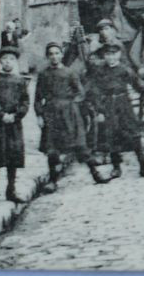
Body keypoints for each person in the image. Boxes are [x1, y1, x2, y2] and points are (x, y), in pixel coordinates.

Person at [33, 42, 106, 190]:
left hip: (70, 114)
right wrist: (40, 115)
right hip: (51, 114)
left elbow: (80, 92)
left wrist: (71, 104)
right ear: (47, 56)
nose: (54, 56)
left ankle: (95, 173)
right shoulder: (43, 74)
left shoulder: (70, 72)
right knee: (52, 149)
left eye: (57, 53)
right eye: (51, 54)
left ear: (61, 55)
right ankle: (53, 181)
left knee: (80, 145)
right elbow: (37, 98)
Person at [86, 43, 144, 179]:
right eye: (107, 55)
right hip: (108, 104)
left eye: (113, 54)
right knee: (111, 135)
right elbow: (94, 90)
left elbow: (138, 83)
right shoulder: (99, 71)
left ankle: (143, 167)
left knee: (134, 133)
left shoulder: (125, 70)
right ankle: (116, 167)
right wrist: (99, 109)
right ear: (104, 56)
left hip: (124, 103)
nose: (110, 58)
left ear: (118, 55)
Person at [0, 47, 30, 204]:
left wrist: (16, 115)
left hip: (14, 124)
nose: (8, 62)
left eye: (11, 59)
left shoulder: (20, 81)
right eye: (4, 59)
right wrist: (1, 115)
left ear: (15, 62)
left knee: (13, 156)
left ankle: (11, 189)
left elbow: (25, 101)